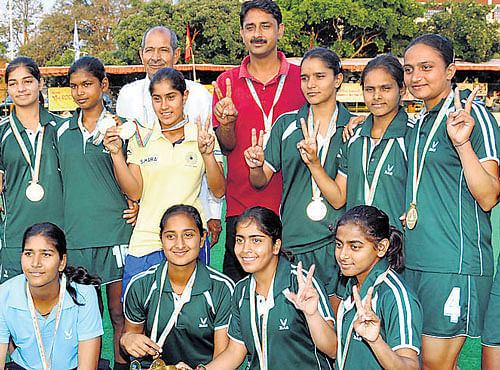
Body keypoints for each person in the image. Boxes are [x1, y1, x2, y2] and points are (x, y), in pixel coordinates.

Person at [402, 34, 500, 369]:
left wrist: (462, 144)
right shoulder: (418, 123)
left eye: (426, 68)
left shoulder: (472, 116)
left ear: (450, 70)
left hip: (453, 264)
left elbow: (488, 196)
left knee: (434, 364)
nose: (416, 77)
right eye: (409, 69)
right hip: (415, 261)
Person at [245, 48, 352, 304]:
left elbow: (340, 199)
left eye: (320, 76)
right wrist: (255, 166)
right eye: (304, 78)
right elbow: (260, 182)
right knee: (296, 324)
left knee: (336, 327)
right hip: (294, 241)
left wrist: (315, 162)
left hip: (337, 243)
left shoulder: (353, 127)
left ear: (337, 79)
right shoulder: (286, 124)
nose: (310, 85)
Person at [104, 67, 225, 295]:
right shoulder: (142, 136)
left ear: (184, 97)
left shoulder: (202, 134)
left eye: (171, 97)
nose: (164, 106)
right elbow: (135, 192)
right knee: (138, 316)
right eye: (157, 99)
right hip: (147, 238)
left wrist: (207, 153)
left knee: (189, 318)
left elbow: (218, 191)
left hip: (188, 240)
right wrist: (116, 154)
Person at [212, 0, 306, 282]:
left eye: (266, 26)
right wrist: (227, 123)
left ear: (280, 30)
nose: (258, 33)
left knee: (296, 301)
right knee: (241, 299)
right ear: (241, 33)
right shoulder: (226, 82)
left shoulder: (303, 78)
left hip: (294, 209)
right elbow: (226, 146)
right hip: (242, 208)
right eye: (250, 27)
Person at [116, 25, 223, 264]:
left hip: (191, 218)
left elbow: (212, 170)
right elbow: (126, 155)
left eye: (163, 50)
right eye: (150, 50)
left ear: (176, 54)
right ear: (141, 54)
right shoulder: (127, 95)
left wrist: (213, 215)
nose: (155, 57)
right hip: (147, 222)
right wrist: (131, 201)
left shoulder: (199, 95)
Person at [57, 56, 135, 370]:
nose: (79, 92)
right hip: (75, 237)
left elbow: (136, 178)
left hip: (115, 232)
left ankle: (120, 366)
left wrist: (138, 202)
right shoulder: (61, 132)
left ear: (103, 85)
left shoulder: (124, 128)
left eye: (87, 84)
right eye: (74, 86)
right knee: (81, 315)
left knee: (118, 313)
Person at [195, 206, 336, 369]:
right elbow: (235, 352)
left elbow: (332, 350)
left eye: (256, 240)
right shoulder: (241, 291)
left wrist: (312, 315)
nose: (246, 249)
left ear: (276, 246)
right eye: (240, 240)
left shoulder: (301, 283)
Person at [121, 205, 234, 368]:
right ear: (161, 239)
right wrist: (127, 340)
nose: (179, 244)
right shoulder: (141, 285)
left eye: (188, 235)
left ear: (202, 239)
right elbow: (130, 336)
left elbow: (222, 357)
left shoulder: (222, 289)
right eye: (170, 236)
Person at [0, 222, 103, 370]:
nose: (35, 263)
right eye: (29, 253)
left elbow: (87, 367)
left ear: (62, 262)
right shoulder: (4, 295)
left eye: (46, 254)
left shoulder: (84, 294)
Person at [334, 205, 422, 370]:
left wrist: (376, 341)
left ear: (381, 247)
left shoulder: (396, 296)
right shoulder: (352, 284)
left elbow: (411, 367)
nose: (343, 255)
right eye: (339, 244)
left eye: (354, 247)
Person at [0, 56, 64, 282]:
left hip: (60, 233)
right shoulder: (2, 132)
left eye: (27, 81)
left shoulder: (62, 128)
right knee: (13, 308)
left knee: (61, 305)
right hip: (15, 234)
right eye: (13, 83)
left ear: (40, 83)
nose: (20, 88)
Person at [335, 54, 409, 230]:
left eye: (385, 88)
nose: (377, 96)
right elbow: (339, 197)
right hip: (357, 245)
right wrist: (313, 162)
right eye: (370, 89)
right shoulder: (353, 136)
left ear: (402, 89)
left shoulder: (413, 136)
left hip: (398, 245)